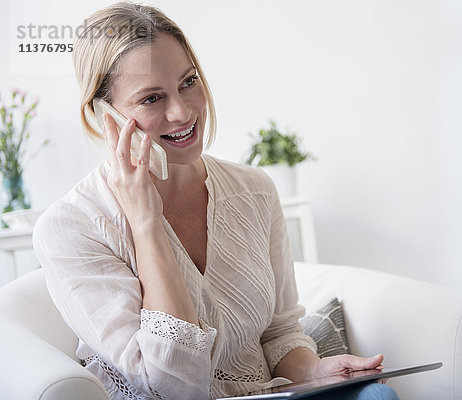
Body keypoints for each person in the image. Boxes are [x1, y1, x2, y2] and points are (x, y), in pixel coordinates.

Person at [32, 2, 400, 400]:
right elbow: (173, 387)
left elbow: (279, 334)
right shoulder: (70, 227)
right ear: (105, 116)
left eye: (188, 82)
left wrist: (314, 369)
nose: (183, 111)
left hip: (266, 395)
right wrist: (146, 225)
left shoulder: (255, 189)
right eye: (152, 99)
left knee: (377, 397)